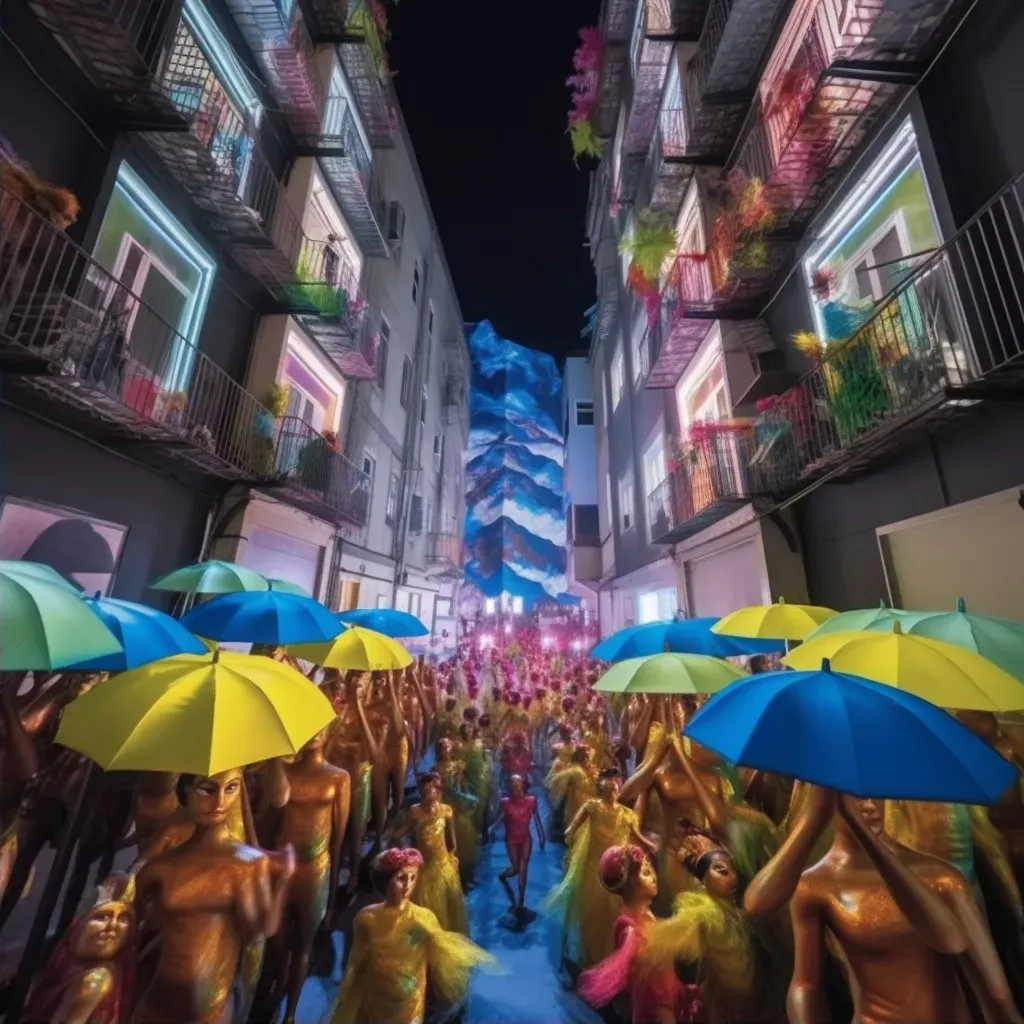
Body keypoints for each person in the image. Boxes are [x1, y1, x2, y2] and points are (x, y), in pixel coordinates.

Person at [328, 848, 495, 1024]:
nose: (408, 884)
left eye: (413, 877)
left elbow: (438, 955)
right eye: (401, 878)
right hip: (376, 997)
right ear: (385, 881)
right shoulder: (366, 918)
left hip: (410, 1000)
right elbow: (357, 960)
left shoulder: (422, 918)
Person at [578, 844, 703, 1024]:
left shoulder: (645, 914)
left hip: (669, 990)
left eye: (650, 869)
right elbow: (650, 988)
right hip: (659, 1002)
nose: (653, 876)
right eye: (645, 873)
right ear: (630, 885)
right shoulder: (630, 930)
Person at [549, 767, 656, 967]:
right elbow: (576, 822)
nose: (613, 791)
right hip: (594, 866)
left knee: (615, 910)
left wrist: (648, 844)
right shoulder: (592, 807)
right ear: (602, 789)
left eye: (615, 788)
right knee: (593, 909)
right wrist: (570, 830)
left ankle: (611, 956)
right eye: (609, 788)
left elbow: (636, 833)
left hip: (617, 868)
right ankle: (592, 954)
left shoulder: (626, 814)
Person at [389, 771, 467, 934]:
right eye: (426, 788)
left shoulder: (446, 811)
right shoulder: (415, 811)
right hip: (424, 870)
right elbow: (398, 835)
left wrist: (453, 858)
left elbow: (452, 841)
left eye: (433, 787)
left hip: (444, 867)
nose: (429, 790)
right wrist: (405, 855)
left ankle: (443, 937)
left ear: (438, 792)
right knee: (427, 910)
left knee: (445, 909)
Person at [489, 773, 545, 919]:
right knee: (515, 869)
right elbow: (501, 816)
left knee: (523, 866)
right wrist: (492, 827)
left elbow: (537, 819)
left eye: (518, 783)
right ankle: (504, 875)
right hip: (511, 840)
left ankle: (520, 902)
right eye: (513, 784)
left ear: (522, 784)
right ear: (509, 786)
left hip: (526, 839)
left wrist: (542, 836)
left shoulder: (531, 801)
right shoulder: (505, 802)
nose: (516, 786)